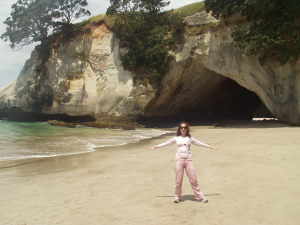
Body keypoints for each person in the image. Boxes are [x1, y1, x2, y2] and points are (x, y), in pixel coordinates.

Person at [152, 121, 217, 203]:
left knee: (194, 179)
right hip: (179, 160)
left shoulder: (190, 138)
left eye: (185, 127)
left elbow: (199, 143)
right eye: (181, 127)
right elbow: (167, 143)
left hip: (188, 160)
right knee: (178, 180)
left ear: (187, 129)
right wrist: (157, 146)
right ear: (179, 129)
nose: (183, 129)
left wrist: (209, 146)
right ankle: (177, 197)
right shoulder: (176, 138)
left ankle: (200, 196)